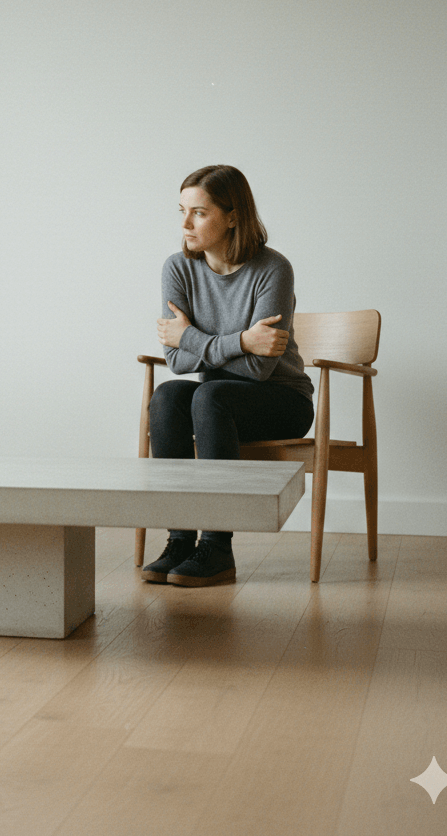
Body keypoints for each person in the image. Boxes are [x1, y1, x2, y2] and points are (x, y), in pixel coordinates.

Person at [143, 164, 314, 587]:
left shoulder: (272, 269)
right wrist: (241, 341)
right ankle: (180, 540)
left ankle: (217, 547)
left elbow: (260, 368)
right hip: (217, 400)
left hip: (282, 401)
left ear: (233, 216)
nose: (185, 224)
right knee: (168, 397)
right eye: (181, 210)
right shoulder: (178, 269)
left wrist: (191, 337)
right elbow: (176, 361)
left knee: (210, 395)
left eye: (199, 212)